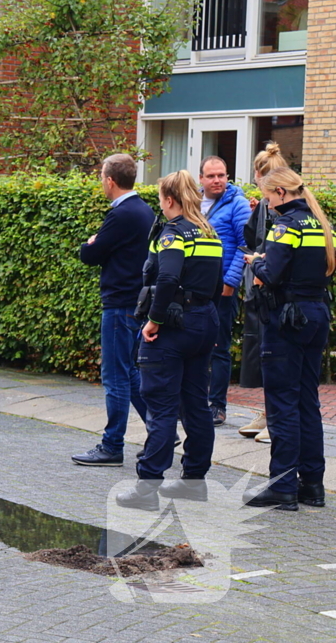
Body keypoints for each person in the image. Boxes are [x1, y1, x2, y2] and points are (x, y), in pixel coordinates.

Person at [116, 170, 222, 510]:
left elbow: (168, 276)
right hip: (204, 321)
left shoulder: (173, 234)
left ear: (170, 200)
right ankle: (194, 481)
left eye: (161, 199)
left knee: (161, 407)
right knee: (196, 405)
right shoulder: (209, 233)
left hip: (173, 326)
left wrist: (153, 320)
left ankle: (146, 489)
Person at [242, 168, 333, 511]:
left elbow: (272, 273)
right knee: (307, 401)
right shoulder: (323, 226)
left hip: (286, 319)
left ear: (280, 192)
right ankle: (312, 484)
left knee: (282, 402)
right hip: (316, 314)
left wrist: (256, 262)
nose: (267, 203)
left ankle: (282, 485)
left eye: (267, 197)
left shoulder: (285, 227)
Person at [72, 154, 153, 466]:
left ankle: (112, 445)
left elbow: (91, 254)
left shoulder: (121, 214)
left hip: (120, 303)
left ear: (110, 180)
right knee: (131, 372)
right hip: (135, 301)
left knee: (115, 376)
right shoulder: (144, 210)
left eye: (101, 177)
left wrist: (90, 244)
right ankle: (159, 428)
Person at [238, 142, 289, 443]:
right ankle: (270, 411)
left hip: (271, 291)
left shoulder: (280, 211)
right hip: (261, 290)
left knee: (276, 356)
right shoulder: (265, 206)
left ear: (259, 175)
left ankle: (277, 417)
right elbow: (250, 237)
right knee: (265, 356)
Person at [198, 156, 251, 427]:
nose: (217, 180)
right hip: (196, 290)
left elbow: (245, 247)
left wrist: (230, 284)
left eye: (222, 175)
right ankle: (195, 401)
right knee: (196, 347)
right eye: (211, 176)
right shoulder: (193, 203)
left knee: (219, 348)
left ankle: (217, 406)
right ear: (201, 179)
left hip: (222, 290)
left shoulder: (238, 205)